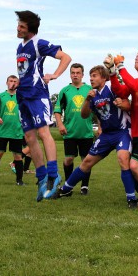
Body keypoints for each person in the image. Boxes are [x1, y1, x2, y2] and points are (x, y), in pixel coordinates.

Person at [53, 65, 138, 209]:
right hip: (106, 135)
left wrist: (121, 104)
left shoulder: (113, 88)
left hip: (122, 131)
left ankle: (131, 198)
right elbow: (84, 115)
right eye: (91, 76)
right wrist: (87, 100)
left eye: (95, 76)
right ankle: (66, 189)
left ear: (104, 78)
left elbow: (128, 105)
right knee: (86, 162)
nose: (91, 79)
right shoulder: (92, 94)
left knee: (123, 159)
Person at [15, 10, 72, 201]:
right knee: (29, 137)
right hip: (22, 96)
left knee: (43, 133)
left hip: (37, 95)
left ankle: (54, 174)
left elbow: (66, 58)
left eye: (22, 26)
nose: (18, 28)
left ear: (30, 30)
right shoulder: (19, 47)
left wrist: (54, 75)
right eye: (18, 25)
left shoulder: (39, 43)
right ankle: (41, 178)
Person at [105, 51, 138, 208]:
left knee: (135, 166)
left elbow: (134, 85)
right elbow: (121, 92)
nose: (136, 58)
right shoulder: (137, 81)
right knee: (130, 167)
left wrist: (120, 66)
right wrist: (112, 73)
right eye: (136, 56)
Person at [54, 63, 94, 195]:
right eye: (73, 72)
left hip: (86, 132)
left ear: (82, 75)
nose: (75, 75)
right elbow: (58, 110)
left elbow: (98, 109)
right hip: (70, 132)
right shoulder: (64, 91)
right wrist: (60, 124)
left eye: (78, 73)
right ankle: (68, 185)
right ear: (70, 74)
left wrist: (101, 126)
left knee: (86, 160)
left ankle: (85, 186)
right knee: (68, 159)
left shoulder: (90, 90)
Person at [0, 75, 25, 186]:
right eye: (11, 81)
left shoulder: (21, 97)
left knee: (17, 156)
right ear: (6, 82)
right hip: (2, 131)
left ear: (18, 83)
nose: (13, 83)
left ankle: (19, 180)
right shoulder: (1, 96)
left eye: (15, 81)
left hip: (17, 131)